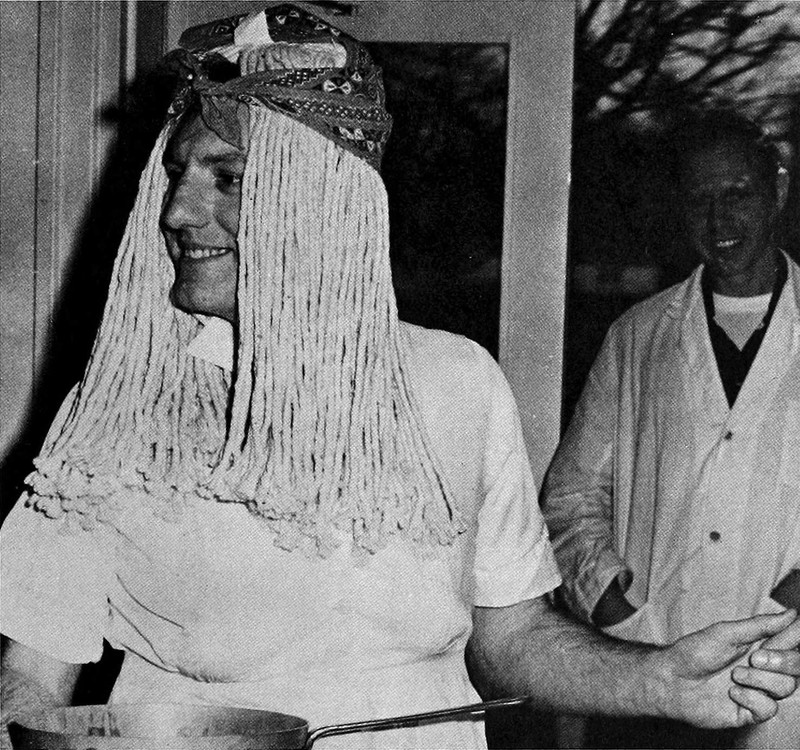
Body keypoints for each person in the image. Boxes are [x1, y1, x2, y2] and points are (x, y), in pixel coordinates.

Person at [1, 9, 799, 749]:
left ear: (319, 198)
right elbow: (33, 673)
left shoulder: (458, 384)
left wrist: (660, 680)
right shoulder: (120, 407)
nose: (177, 212)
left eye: (227, 178)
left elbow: (513, 637)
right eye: (177, 174)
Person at [542, 106, 800, 748]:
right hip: (654, 673)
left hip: (786, 673)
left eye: (738, 193)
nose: (719, 220)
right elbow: (571, 497)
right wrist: (615, 607)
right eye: (699, 199)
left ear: (778, 191)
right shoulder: (637, 336)